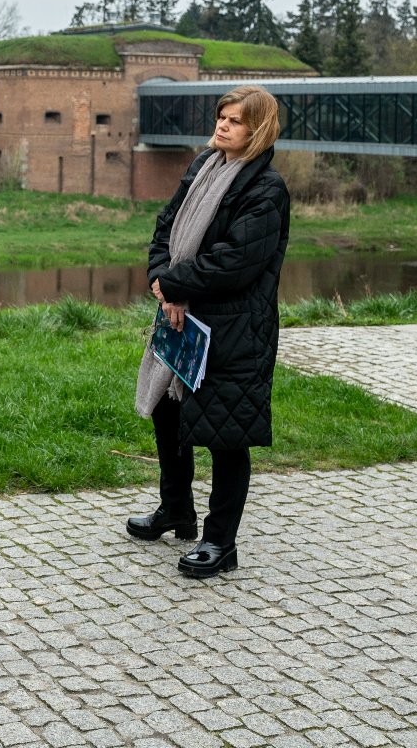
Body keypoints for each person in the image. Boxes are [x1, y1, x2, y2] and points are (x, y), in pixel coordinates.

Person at [131, 84, 290, 578]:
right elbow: (166, 226)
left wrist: (173, 284)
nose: (223, 125)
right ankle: (176, 509)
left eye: (236, 120)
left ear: (258, 129)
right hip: (181, 315)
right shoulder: (203, 167)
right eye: (222, 116)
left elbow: (237, 261)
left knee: (226, 432)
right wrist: (164, 282)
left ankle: (221, 542)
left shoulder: (266, 189)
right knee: (167, 413)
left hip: (234, 328)